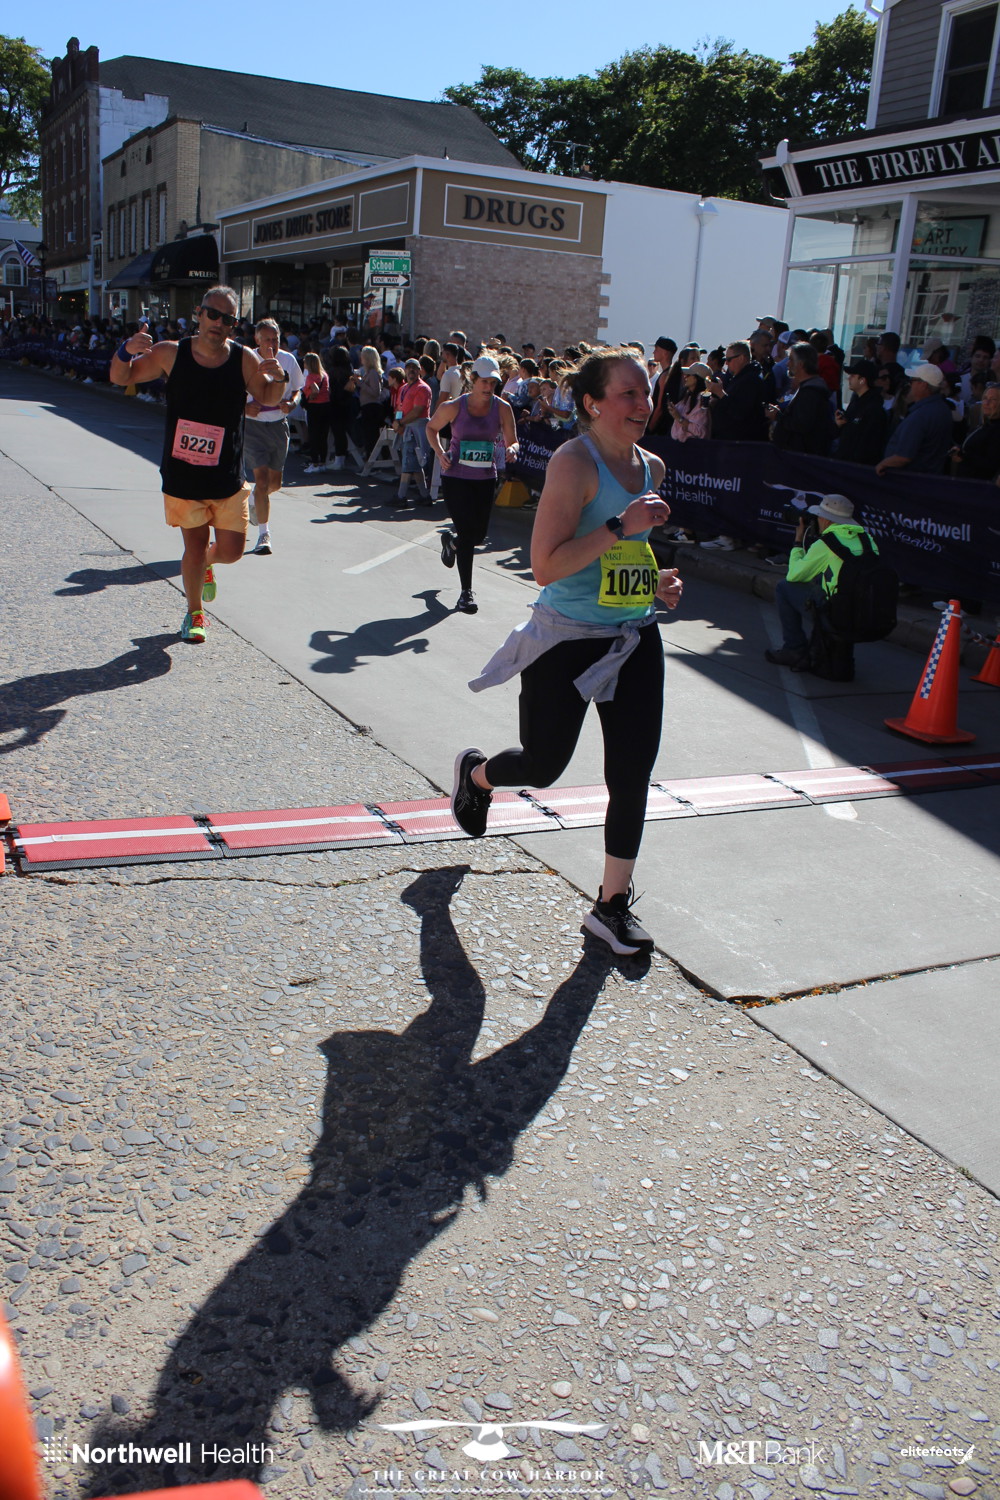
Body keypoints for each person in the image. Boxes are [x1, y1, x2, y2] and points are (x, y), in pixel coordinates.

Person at [449, 349, 683, 956]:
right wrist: (620, 525)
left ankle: (610, 907)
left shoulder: (652, 466)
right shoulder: (573, 463)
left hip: (633, 636)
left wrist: (653, 582)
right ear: (592, 403)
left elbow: (624, 556)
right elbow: (547, 566)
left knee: (631, 774)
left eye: (647, 392)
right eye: (629, 393)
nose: (643, 404)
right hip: (568, 638)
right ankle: (477, 776)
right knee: (543, 766)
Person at [109, 286, 286, 643]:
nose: (219, 323)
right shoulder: (171, 353)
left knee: (232, 551)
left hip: (226, 475)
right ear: (199, 314)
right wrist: (125, 350)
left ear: (233, 326)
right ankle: (194, 613)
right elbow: (121, 377)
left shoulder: (243, 359)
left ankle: (207, 564)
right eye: (213, 314)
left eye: (228, 319)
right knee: (193, 546)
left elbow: (268, 396)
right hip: (184, 474)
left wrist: (279, 378)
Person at [425, 354, 519, 613]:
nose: (489, 387)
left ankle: (451, 543)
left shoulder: (502, 408)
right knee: (468, 533)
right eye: (484, 382)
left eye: (493, 383)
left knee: (477, 535)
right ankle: (466, 593)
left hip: (485, 478)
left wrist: (512, 449)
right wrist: (440, 453)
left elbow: (513, 439)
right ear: (473, 380)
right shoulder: (455, 406)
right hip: (456, 477)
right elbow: (431, 428)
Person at [765, 494, 877, 667]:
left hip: (836, 615)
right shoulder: (867, 539)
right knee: (820, 579)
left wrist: (798, 542)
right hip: (863, 613)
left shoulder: (825, 544)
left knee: (784, 587)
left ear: (825, 519)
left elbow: (793, 575)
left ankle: (794, 649)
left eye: (818, 516)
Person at [243, 318, 304, 555]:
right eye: (267, 339)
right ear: (257, 339)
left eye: (275, 339)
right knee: (261, 480)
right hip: (253, 426)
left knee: (274, 484)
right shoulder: (248, 360)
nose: (272, 344)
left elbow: (298, 389)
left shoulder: (288, 360)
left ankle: (255, 499)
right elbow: (228, 393)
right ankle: (264, 535)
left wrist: (292, 403)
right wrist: (244, 408)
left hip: (279, 425)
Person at [875, 362, 953, 477]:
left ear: (923, 385)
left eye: (913, 381)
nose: (910, 384)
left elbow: (904, 456)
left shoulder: (921, 415)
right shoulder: (943, 409)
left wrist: (882, 464)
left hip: (912, 479)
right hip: (931, 477)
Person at [768, 342, 835, 456]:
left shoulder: (811, 392)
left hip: (802, 458)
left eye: (790, 359)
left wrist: (777, 416)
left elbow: (801, 424)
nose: (787, 364)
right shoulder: (808, 389)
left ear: (801, 364)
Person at [392, 358, 433, 506]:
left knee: (409, 462)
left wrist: (400, 423)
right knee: (414, 463)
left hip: (416, 430)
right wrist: (397, 422)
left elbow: (417, 411)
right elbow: (400, 407)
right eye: (408, 368)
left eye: (414, 368)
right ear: (405, 370)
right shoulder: (403, 388)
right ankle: (425, 496)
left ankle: (401, 497)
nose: (411, 370)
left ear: (419, 370)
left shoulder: (423, 388)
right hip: (406, 428)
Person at [707, 342, 767, 442]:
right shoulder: (737, 379)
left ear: (741, 358)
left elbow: (740, 412)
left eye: (729, 360)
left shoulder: (751, 380)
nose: (726, 363)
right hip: (728, 441)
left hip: (740, 443)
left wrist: (720, 393)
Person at [833, 358, 887, 465]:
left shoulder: (873, 408)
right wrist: (840, 424)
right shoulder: (856, 402)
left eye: (853, 376)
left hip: (857, 466)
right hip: (845, 462)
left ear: (862, 380)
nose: (849, 378)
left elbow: (869, 444)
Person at [953, 382, 1000, 481]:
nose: (986, 403)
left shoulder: (996, 429)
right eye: (985, 398)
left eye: (993, 399)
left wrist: (964, 456)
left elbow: (992, 464)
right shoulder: (986, 424)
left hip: (980, 485)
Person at [301, 353, 331, 474]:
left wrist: (312, 396)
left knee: (313, 435)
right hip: (326, 405)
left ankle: (314, 463)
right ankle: (323, 462)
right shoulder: (324, 375)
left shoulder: (310, 377)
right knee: (323, 435)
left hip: (314, 407)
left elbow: (315, 390)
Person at [357, 345, 385, 457]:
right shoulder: (367, 373)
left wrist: (361, 384)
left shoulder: (373, 373)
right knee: (368, 434)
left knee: (371, 434)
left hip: (372, 407)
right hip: (367, 406)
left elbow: (375, 392)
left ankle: (372, 457)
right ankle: (370, 455)